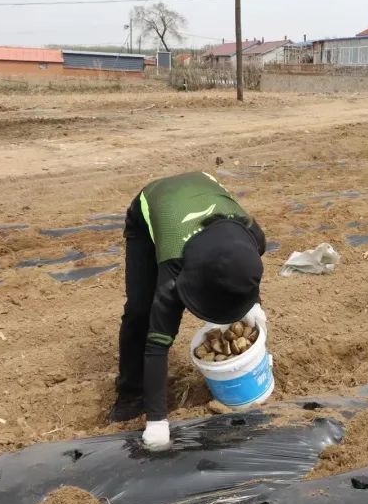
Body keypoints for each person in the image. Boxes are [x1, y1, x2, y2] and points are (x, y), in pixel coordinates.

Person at [108, 171, 267, 449]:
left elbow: (244, 274)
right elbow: (158, 343)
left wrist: (254, 306)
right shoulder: (173, 266)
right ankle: (130, 395)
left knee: (232, 277)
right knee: (139, 311)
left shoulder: (254, 237)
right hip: (153, 205)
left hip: (201, 188)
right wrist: (157, 420)